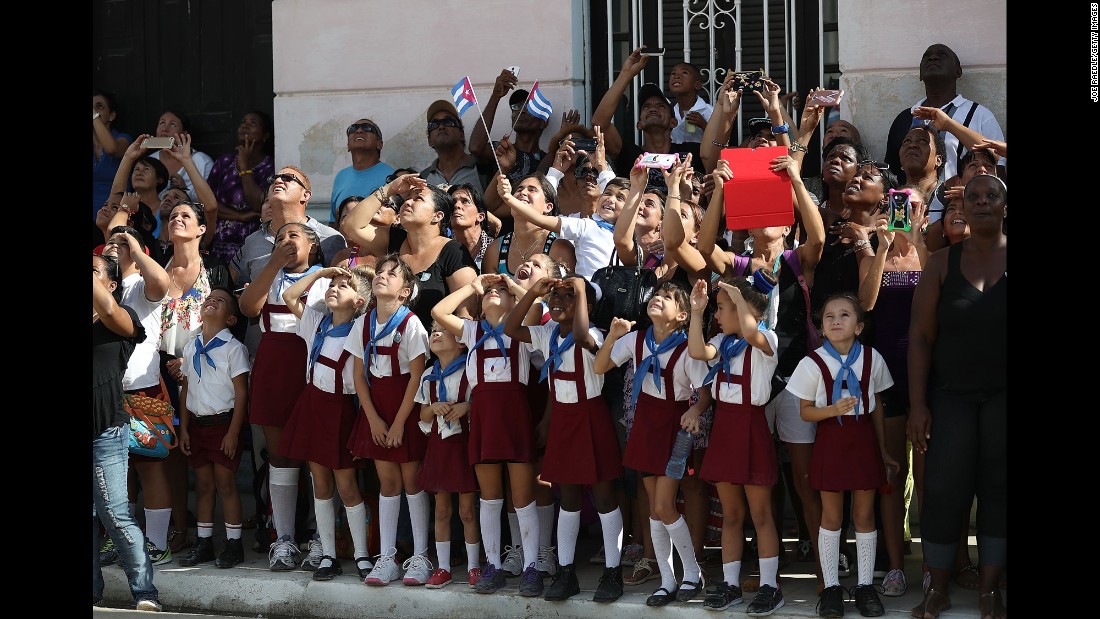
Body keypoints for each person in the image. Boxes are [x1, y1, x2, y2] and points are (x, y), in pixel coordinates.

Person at [696, 153, 827, 587]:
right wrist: (718, 191)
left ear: (786, 225)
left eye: (772, 215)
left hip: (792, 381)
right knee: (754, 482)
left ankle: (825, 574)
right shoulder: (737, 267)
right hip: (748, 385)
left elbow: (819, 240)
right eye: (752, 215)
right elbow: (702, 247)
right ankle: (757, 571)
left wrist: (793, 178)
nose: (760, 221)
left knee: (803, 479)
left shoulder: (793, 262)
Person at [907, 174, 1006, 619]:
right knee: (945, 489)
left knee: (1000, 490)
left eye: (992, 196)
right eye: (973, 197)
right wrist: (917, 404)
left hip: (1005, 399)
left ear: (1006, 206)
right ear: (961, 207)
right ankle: (938, 587)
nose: (982, 202)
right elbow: (921, 339)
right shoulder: (942, 263)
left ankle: (989, 591)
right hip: (951, 397)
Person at [505, 275, 627, 603]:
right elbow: (510, 329)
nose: (558, 301)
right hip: (563, 419)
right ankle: (566, 571)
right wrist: (534, 292)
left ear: (585, 302)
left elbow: (582, 335)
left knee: (603, 497)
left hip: (590, 417)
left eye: (567, 296)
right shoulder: (546, 333)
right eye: (555, 296)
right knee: (568, 499)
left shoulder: (593, 334)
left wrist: (582, 290)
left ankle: (613, 573)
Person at [594, 283, 713, 608]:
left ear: (682, 316)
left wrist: (694, 409)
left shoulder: (688, 349)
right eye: (656, 295)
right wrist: (614, 334)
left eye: (669, 299)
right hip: (646, 426)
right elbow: (599, 367)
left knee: (663, 506)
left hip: (674, 430)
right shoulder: (635, 340)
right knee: (653, 509)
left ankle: (691, 572)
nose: (658, 299)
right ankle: (667, 580)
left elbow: (704, 392)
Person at [431, 273, 545, 596]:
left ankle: (532, 567)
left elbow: (537, 306)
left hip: (515, 415)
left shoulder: (520, 329)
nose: (494, 293)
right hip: (483, 417)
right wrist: (473, 287)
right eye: (489, 293)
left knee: (522, 498)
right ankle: (492, 565)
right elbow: (439, 314)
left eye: (501, 292)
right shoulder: (471, 330)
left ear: (512, 300)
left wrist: (511, 285)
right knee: (490, 497)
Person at [785, 293, 897, 618]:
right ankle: (832, 587)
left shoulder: (873, 359)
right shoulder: (812, 363)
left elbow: (876, 408)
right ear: (821, 327)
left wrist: (884, 450)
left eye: (845, 315)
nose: (836, 320)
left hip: (863, 443)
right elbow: (805, 413)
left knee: (864, 516)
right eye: (829, 316)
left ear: (859, 326)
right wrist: (832, 410)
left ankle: (864, 586)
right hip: (831, 441)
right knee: (831, 517)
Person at [688, 274, 785, 616]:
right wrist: (697, 312)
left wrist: (739, 297)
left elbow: (750, 332)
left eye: (721, 308)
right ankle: (730, 584)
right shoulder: (721, 342)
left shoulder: (765, 338)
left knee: (760, 513)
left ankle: (770, 587)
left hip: (751, 426)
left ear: (749, 311)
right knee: (731, 514)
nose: (717, 315)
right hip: (725, 428)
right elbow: (698, 351)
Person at [239, 221, 331, 571]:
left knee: (318, 454)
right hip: (274, 361)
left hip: (313, 359)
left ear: (313, 245)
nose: (285, 241)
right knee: (280, 455)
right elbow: (248, 307)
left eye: (294, 235)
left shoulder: (325, 276)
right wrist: (273, 263)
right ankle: (285, 538)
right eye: (279, 238)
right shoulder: (269, 274)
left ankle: (323, 538)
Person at [279, 265, 376, 582]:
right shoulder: (315, 322)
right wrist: (320, 276)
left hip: (341, 409)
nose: (334, 289)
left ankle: (361, 555)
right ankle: (328, 556)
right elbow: (289, 294)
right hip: (311, 406)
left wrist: (365, 280)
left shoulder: (362, 329)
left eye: (343, 287)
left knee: (347, 485)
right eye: (332, 286)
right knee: (320, 484)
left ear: (359, 302)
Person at [855, 188, 929, 598]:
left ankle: (934, 566)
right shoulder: (872, 251)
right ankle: (896, 566)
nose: (902, 212)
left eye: (911, 205)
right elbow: (866, 303)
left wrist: (918, 240)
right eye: (894, 204)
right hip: (886, 377)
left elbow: (943, 295)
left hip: (925, 374)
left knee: (929, 476)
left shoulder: (927, 250)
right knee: (892, 474)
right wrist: (882, 247)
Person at [345, 254, 431, 586]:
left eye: (391, 274)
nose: (382, 276)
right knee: (388, 483)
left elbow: (417, 377)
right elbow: (358, 374)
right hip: (376, 408)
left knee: (412, 481)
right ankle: (386, 557)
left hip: (405, 407)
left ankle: (421, 555)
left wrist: (397, 423)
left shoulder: (411, 324)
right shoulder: (362, 322)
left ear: (405, 291)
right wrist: (374, 420)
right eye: (379, 272)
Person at [96, 224, 174, 569]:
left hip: (141, 385)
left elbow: (163, 283)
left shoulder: (142, 283)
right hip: (107, 388)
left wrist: (134, 246)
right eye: (109, 242)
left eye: (122, 243)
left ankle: (157, 543)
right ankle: (119, 539)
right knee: (117, 473)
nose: (114, 246)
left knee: (148, 467)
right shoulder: (102, 283)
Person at [92, 252, 162, 612]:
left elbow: (106, 309)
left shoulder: (121, 319)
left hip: (105, 433)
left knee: (115, 513)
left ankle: (145, 592)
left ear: (111, 284)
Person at [176, 286, 251, 569]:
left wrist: (234, 432)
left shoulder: (234, 348)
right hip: (197, 425)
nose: (212, 302)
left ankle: (234, 544)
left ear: (230, 319)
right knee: (204, 486)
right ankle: (204, 542)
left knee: (226, 484)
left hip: (223, 426)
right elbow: (186, 391)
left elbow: (241, 393)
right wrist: (183, 428)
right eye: (210, 299)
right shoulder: (191, 345)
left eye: (220, 302)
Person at [341, 175, 478, 323]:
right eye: (407, 198)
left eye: (418, 198)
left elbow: (466, 316)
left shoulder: (454, 252)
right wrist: (389, 189)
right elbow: (351, 225)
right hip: (388, 341)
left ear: (437, 216)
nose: (407, 202)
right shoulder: (394, 240)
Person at [413, 321, 481, 589]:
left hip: (463, 446)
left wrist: (467, 406)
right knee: (441, 511)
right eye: (433, 331)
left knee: (467, 511)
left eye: (444, 330)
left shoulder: (470, 370)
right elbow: (423, 415)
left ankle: (474, 566)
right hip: (439, 446)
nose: (436, 334)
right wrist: (434, 407)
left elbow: (479, 404)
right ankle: (443, 568)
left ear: (462, 341)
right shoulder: (429, 375)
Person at [883, 43, 1005, 185]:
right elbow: (891, 173)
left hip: (961, 205)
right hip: (912, 205)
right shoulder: (904, 118)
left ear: (958, 72)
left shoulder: (979, 115)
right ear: (921, 75)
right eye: (927, 56)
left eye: (942, 55)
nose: (933, 58)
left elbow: (998, 167)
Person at [591, 48, 704, 193]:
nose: (652, 108)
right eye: (646, 107)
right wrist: (626, 74)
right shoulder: (631, 155)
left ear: (673, 122)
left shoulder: (689, 153)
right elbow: (600, 123)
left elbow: (717, 149)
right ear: (639, 124)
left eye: (660, 106)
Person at [500, 173, 623, 279]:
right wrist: (508, 198)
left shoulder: (632, 235)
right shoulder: (585, 225)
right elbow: (539, 219)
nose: (611, 199)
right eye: (606, 193)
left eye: (620, 198)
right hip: (588, 296)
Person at [207, 110, 276, 264]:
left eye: (253, 123)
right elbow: (207, 199)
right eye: (243, 122)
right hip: (219, 242)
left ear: (265, 135)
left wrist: (244, 166)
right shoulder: (224, 162)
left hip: (251, 243)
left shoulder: (270, 166)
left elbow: (259, 204)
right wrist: (239, 216)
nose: (245, 125)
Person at [469, 70, 549, 183]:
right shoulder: (500, 151)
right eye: (517, 106)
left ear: (543, 122)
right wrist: (495, 96)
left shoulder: (548, 159)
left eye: (529, 106)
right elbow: (475, 148)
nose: (522, 110)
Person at [483, 174, 562, 277]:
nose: (523, 193)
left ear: (548, 207)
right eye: (519, 190)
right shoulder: (494, 250)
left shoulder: (559, 248)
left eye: (532, 190)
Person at [329, 118, 396, 225]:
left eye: (367, 128)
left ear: (379, 144)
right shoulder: (341, 177)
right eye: (352, 129)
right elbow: (333, 222)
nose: (359, 131)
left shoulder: (392, 177)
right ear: (348, 146)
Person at [420, 100, 495, 193]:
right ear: (429, 140)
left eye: (448, 122)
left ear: (461, 134)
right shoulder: (423, 178)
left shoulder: (482, 166)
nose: (441, 127)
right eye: (434, 124)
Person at [149, 108, 215, 202]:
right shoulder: (150, 161)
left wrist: (184, 190)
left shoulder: (202, 161)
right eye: (162, 123)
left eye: (172, 124)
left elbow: (210, 201)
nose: (165, 129)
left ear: (184, 134)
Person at [94, 90, 133, 219]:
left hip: (114, 215)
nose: (94, 110)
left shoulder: (123, 139)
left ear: (111, 116)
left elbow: (112, 149)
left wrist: (94, 116)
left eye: (99, 107)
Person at [447, 183, 493, 271]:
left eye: (465, 201)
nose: (457, 206)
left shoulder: (494, 248)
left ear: (480, 216)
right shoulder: (442, 248)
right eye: (453, 202)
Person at [668, 62, 713, 144]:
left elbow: (719, 142)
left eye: (684, 73)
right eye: (673, 73)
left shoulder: (709, 112)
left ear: (697, 85)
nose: (676, 76)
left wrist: (704, 125)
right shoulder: (669, 113)